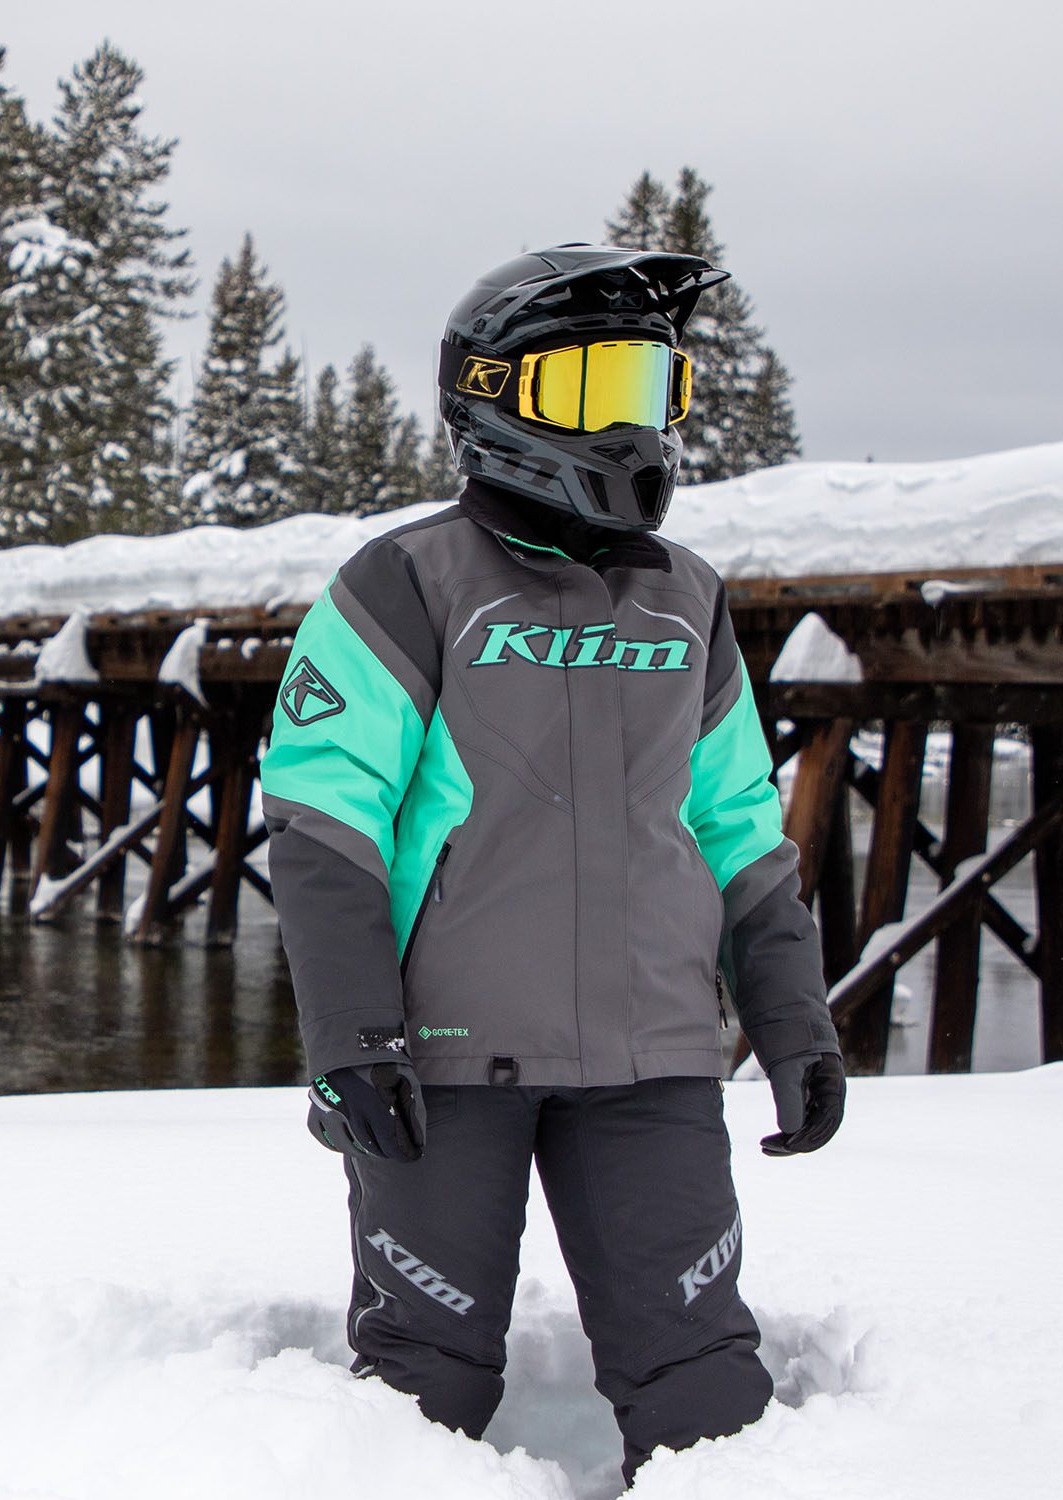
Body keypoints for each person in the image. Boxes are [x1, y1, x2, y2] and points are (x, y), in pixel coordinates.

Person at [259, 243, 845, 1482]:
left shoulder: (688, 601)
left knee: (704, 1388)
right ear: (491, 396)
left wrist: (795, 1024)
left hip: (654, 1062)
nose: (631, 425)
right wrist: (353, 1039)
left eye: (651, 388)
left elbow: (740, 830)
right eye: (593, 390)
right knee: (422, 1389)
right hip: (442, 1066)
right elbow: (324, 823)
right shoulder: (403, 584)